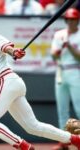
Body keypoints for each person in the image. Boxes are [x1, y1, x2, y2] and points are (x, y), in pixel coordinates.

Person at [0, 16, 80, 150]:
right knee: (32, 127)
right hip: (6, 85)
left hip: (6, 80)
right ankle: (74, 139)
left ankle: (23, 146)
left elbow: (7, 48)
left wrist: (14, 52)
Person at [51, 8, 80, 150]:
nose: (71, 22)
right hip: (61, 71)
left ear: (78, 20)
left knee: (79, 108)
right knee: (62, 109)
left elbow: (79, 57)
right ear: (66, 20)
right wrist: (59, 50)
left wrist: (68, 46)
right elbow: (54, 56)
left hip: (76, 70)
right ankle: (64, 142)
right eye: (69, 19)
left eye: (74, 19)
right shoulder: (59, 34)